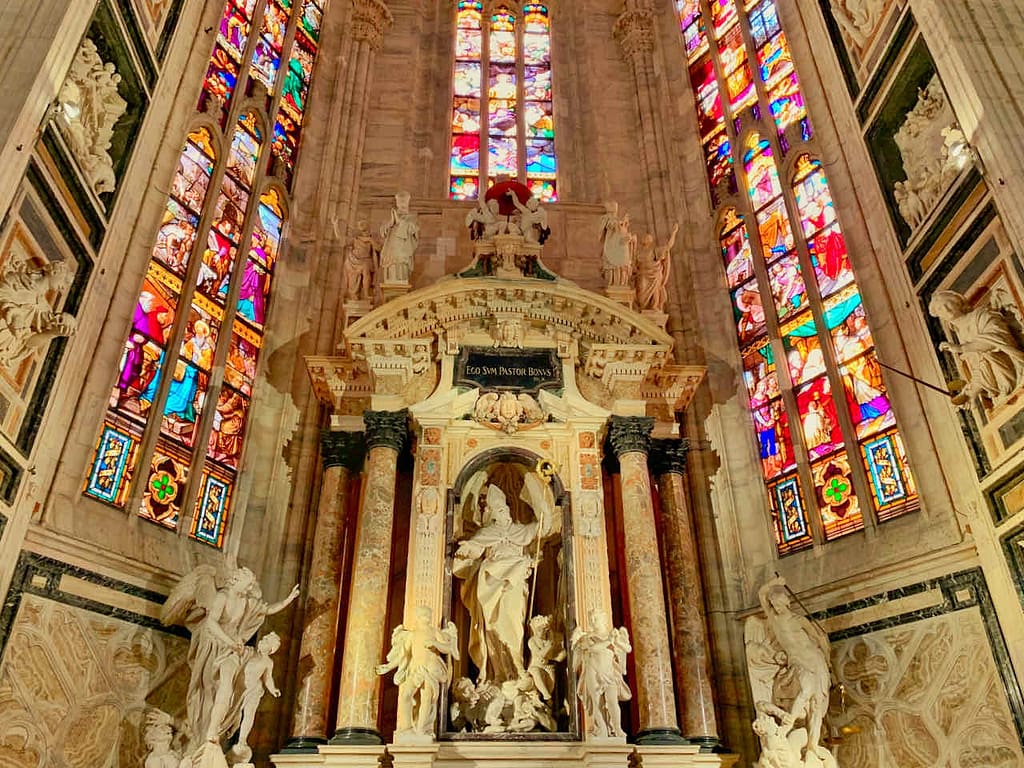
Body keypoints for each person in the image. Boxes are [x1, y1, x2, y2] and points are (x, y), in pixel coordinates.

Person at [452, 484, 541, 685]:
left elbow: (542, 526)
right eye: (499, 510)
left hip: (514, 579)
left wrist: (536, 492)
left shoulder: (520, 531)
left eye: (504, 509)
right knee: (492, 625)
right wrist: (467, 548)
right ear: (492, 514)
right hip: (491, 581)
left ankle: (516, 666)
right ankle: (498, 673)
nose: (504, 513)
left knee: (512, 621)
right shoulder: (488, 532)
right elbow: (476, 548)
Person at [376, 606, 459, 734]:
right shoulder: (412, 635)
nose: (427, 617)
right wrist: (388, 666)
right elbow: (404, 655)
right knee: (405, 696)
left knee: (426, 699)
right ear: (418, 617)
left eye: (429, 614)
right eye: (424, 614)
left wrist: (435, 643)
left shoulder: (434, 632)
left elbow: (448, 648)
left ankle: (421, 730)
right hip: (415, 670)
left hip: (430, 669)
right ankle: (407, 727)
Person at [570, 609, 631, 738]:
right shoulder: (586, 637)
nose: (593, 621)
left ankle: (617, 728)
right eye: (591, 619)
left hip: (609, 672)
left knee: (612, 701)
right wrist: (609, 641)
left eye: (596, 618)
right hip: (593, 671)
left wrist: (617, 641)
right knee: (597, 702)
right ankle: (602, 729)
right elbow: (593, 648)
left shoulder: (613, 635)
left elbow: (627, 648)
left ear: (603, 620)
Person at [634, 223, 678, 312]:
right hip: (642, 274)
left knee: (655, 291)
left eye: (646, 237)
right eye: (644, 237)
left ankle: (653, 306)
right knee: (641, 294)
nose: (644, 238)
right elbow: (634, 265)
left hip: (654, 274)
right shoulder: (638, 252)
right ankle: (642, 307)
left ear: (650, 241)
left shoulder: (654, 250)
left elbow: (668, 246)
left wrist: (674, 232)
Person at [379, 191, 420, 283]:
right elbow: (383, 232)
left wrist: (399, 222)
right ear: (397, 204)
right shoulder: (390, 219)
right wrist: (391, 223)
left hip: (403, 247)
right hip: (391, 247)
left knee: (401, 262)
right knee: (391, 263)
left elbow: (414, 231)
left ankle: (400, 281)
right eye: (400, 202)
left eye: (404, 202)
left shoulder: (411, 218)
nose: (402, 204)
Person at [599, 202, 636, 289]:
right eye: (613, 207)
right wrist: (619, 223)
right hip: (613, 245)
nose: (615, 209)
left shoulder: (619, 221)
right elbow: (610, 226)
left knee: (623, 265)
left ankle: (621, 283)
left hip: (621, 246)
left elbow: (622, 231)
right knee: (612, 265)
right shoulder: (606, 218)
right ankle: (614, 282)